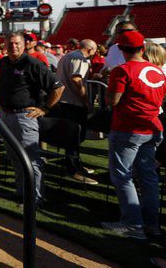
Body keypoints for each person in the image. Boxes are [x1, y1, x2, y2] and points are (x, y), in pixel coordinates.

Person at [102, 30, 165, 239]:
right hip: (152, 127)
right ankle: (151, 224)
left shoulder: (122, 70)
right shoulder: (157, 70)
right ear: (143, 48)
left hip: (128, 129)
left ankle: (133, 224)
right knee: (148, 177)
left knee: (122, 175)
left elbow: (113, 100)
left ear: (121, 49)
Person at [0, 31, 64, 207]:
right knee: (14, 156)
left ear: (24, 44)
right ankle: (22, 193)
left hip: (24, 115)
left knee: (30, 159)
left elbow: (58, 87)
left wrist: (45, 108)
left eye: (17, 43)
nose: (13, 46)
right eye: (10, 43)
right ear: (5, 44)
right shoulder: (3, 62)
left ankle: (36, 198)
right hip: (6, 114)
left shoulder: (33, 63)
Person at [49, 39, 99, 185]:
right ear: (89, 49)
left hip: (65, 102)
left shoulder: (67, 56)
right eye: (94, 50)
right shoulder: (80, 59)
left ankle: (75, 165)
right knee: (74, 138)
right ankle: (73, 169)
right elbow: (77, 80)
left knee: (71, 138)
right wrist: (86, 101)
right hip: (73, 103)